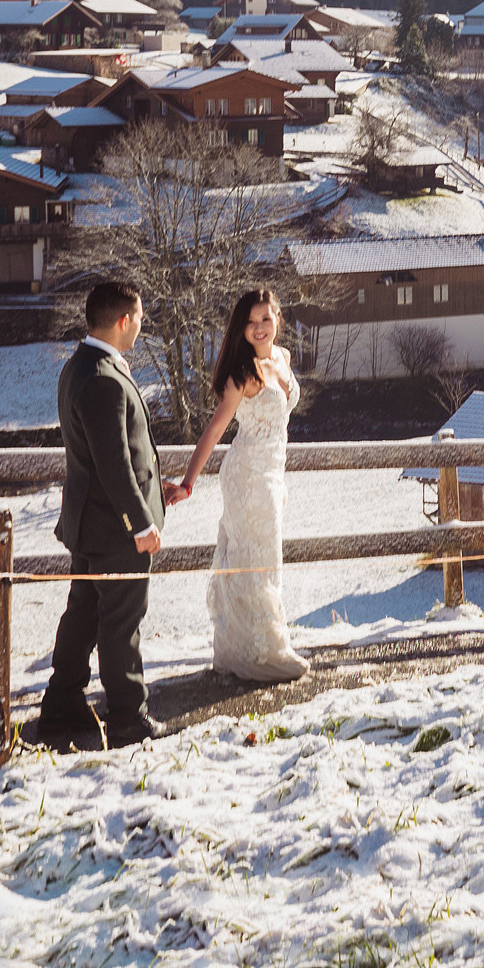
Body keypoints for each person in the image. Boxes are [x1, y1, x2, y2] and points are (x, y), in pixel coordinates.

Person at [30, 280, 176, 752]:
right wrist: (142, 523)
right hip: (115, 529)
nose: (141, 326)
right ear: (123, 321)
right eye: (140, 318)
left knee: (85, 614)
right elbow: (113, 465)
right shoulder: (102, 378)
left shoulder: (80, 366)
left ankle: (62, 705)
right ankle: (128, 718)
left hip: (92, 523)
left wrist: (154, 490)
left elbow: (114, 456)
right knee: (120, 621)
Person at [169, 289, 308, 684]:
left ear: (278, 318)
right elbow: (214, 430)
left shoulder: (283, 358)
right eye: (250, 322)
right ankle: (263, 654)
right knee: (255, 560)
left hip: (272, 472)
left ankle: (248, 649)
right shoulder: (242, 374)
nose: (259, 328)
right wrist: (188, 483)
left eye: (265, 318)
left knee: (266, 558)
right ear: (241, 329)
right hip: (247, 475)